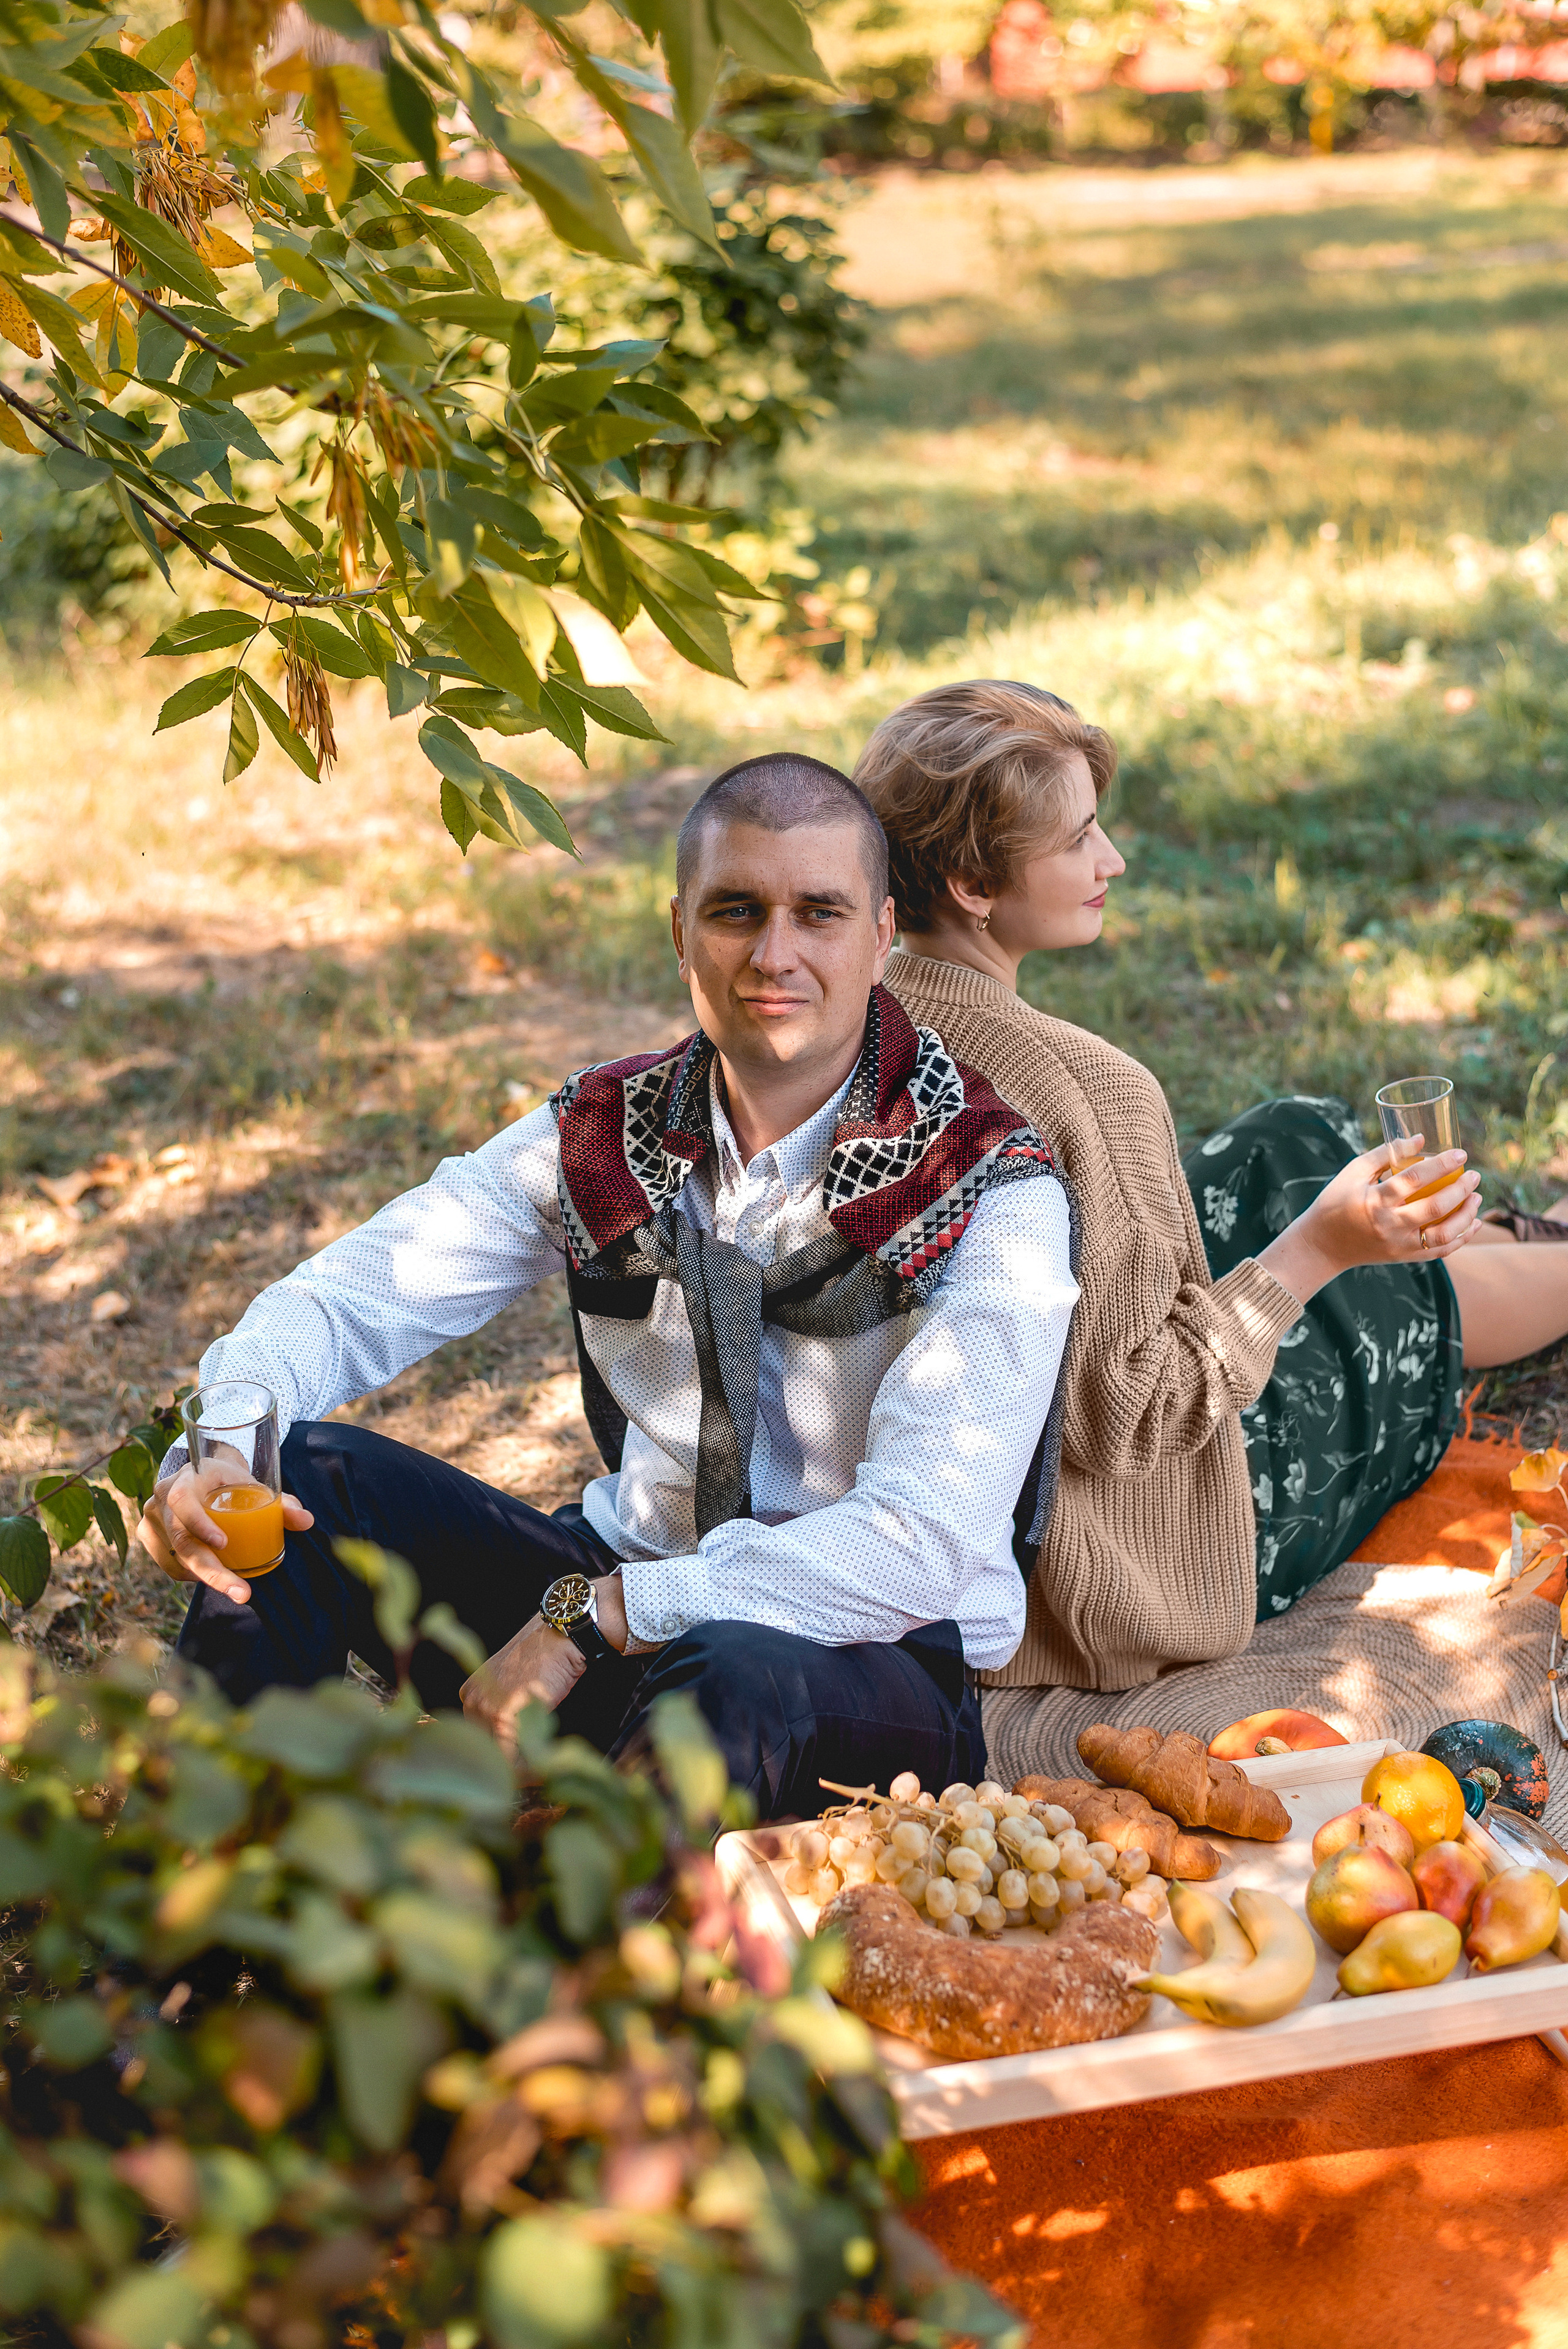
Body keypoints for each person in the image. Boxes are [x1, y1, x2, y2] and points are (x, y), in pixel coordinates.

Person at [138, 754, 1079, 1817]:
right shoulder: (608, 1132)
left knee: (724, 1679)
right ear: (681, 930)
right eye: (737, 911)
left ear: (882, 935)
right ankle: (196, 1939)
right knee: (304, 1473)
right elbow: (362, 1289)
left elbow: (919, 1547)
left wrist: (596, 1617)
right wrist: (214, 1458)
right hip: (613, 1599)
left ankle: (540, 1949)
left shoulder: (989, 1188)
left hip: (855, 1667)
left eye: (820, 913)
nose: (775, 954)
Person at [854, 679, 1568, 1693]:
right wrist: (1322, 1250)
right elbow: (1132, 1417)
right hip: (1141, 1553)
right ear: (973, 881)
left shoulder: (856, 1026)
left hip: (1005, 1474)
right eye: (1080, 839)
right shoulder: (1085, 1091)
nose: (1115, 860)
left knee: (1289, 1139)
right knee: (1384, 1289)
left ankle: (1516, 1231)